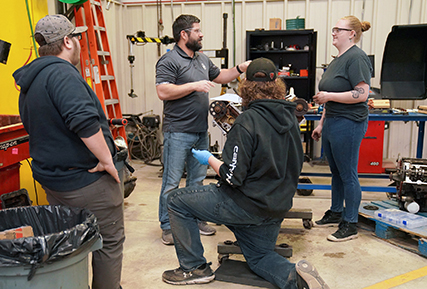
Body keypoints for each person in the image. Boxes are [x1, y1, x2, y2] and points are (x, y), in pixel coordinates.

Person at [162, 58, 329, 289]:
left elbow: (232, 176)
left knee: (176, 201)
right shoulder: (291, 119)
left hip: (246, 204)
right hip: (275, 206)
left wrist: (209, 158)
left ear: (246, 86)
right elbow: (295, 165)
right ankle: (297, 280)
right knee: (260, 258)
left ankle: (193, 268)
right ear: (277, 85)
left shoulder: (247, 121)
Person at [13, 14, 125, 289]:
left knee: (72, 243)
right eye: (76, 37)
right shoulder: (62, 74)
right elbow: (84, 123)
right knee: (108, 242)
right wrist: (107, 160)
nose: (78, 42)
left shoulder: (31, 80)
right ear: (66, 41)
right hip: (87, 181)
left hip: (55, 181)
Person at [155, 14, 251, 245]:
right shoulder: (168, 61)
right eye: (197, 31)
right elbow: (163, 91)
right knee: (171, 181)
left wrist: (240, 68)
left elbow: (220, 77)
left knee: (197, 180)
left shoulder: (202, 59)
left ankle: (195, 218)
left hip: (200, 131)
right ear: (184, 35)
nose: (201, 34)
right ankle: (168, 227)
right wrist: (193, 86)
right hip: (177, 131)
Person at [311, 16, 373, 242]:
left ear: (352, 34)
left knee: (348, 174)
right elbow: (330, 100)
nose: (334, 33)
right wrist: (321, 124)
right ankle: (336, 211)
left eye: (339, 29)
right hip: (332, 122)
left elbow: (363, 93)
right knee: (336, 172)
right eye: (334, 29)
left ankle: (350, 223)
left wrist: (329, 96)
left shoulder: (356, 58)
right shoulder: (338, 59)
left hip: (349, 123)